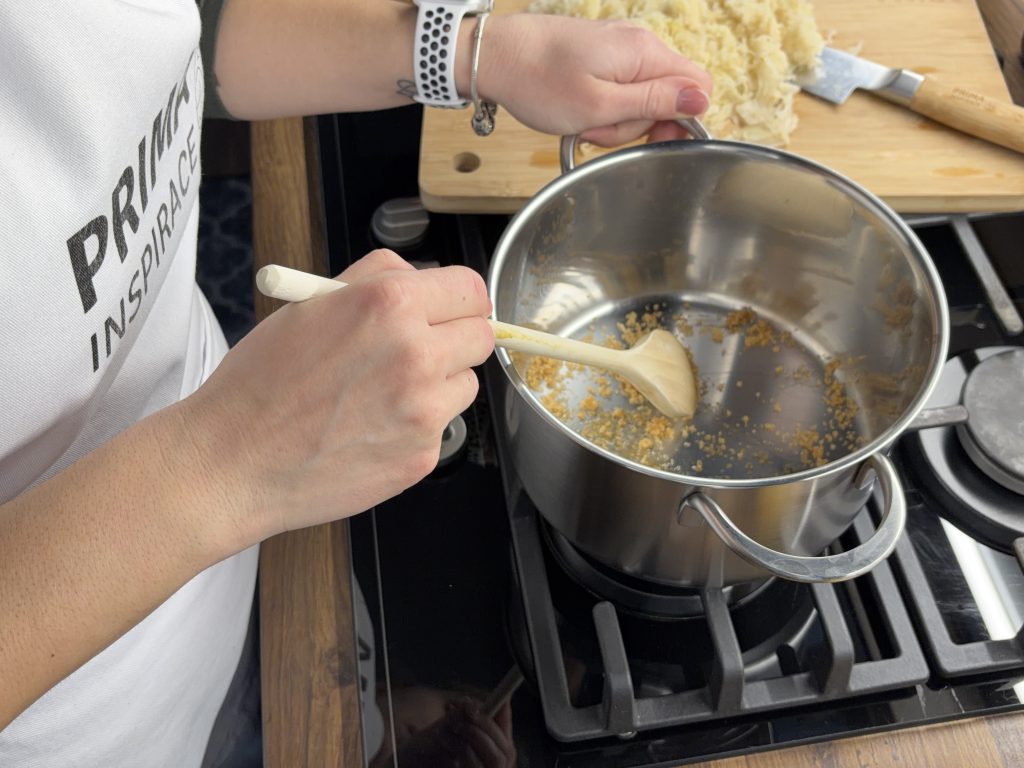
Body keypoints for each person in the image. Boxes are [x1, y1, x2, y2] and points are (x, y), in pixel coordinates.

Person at [0, 1, 711, 765]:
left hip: (261, 548)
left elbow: (186, 32)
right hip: (110, 727)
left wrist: (476, 54)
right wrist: (223, 457)